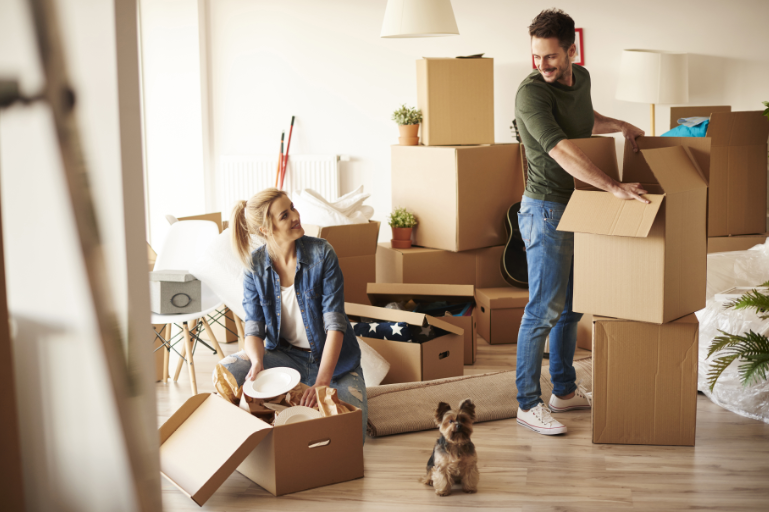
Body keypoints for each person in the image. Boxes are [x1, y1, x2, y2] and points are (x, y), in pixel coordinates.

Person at [514, 9, 649, 436]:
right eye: (537, 57)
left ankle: (564, 392)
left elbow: (582, 121)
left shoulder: (583, 78)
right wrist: (613, 187)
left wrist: (620, 125)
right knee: (542, 310)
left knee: (572, 309)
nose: (542, 65)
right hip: (545, 210)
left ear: (572, 50)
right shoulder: (530, 94)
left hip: (578, 205)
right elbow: (561, 149)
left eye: (551, 57)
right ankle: (527, 402)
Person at [218, 188, 367, 442]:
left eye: (293, 208)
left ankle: (294, 400)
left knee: (351, 436)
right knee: (227, 371)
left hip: (336, 364)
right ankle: (273, 416)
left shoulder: (322, 254)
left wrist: (322, 382)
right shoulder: (255, 267)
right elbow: (254, 328)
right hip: (286, 358)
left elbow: (335, 325)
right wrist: (257, 363)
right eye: (284, 215)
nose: (296, 216)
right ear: (266, 229)